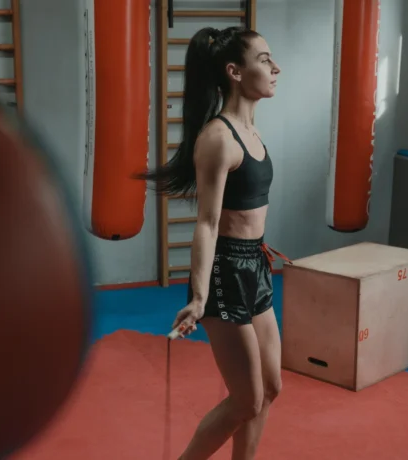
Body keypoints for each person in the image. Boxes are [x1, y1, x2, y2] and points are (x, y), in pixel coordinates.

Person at [139, 25, 285, 460]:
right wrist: (199, 294)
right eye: (263, 60)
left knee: (271, 387)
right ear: (234, 72)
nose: (275, 68)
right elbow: (207, 222)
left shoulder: (252, 131)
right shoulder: (218, 139)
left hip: (255, 266)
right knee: (246, 399)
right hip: (225, 273)